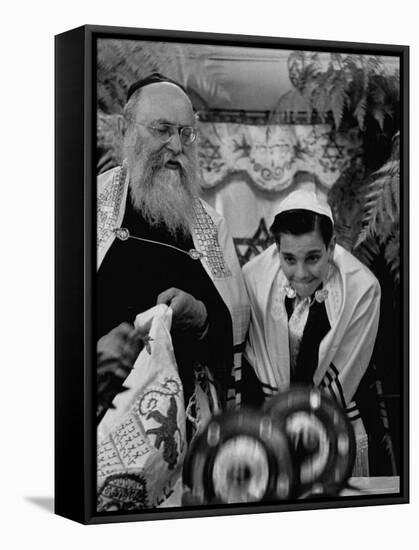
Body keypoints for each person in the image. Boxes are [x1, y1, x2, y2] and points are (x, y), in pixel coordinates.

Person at [96, 72, 249, 430]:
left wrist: (203, 319)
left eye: (185, 133)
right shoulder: (83, 206)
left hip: (182, 427)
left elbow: (235, 330)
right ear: (125, 130)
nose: (177, 147)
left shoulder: (211, 226)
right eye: (162, 129)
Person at [242, 182, 381, 475]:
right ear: (276, 248)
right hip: (269, 422)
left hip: (335, 421)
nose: (301, 274)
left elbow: (347, 371)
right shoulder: (254, 280)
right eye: (289, 259)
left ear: (331, 247)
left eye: (314, 258)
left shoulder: (361, 289)